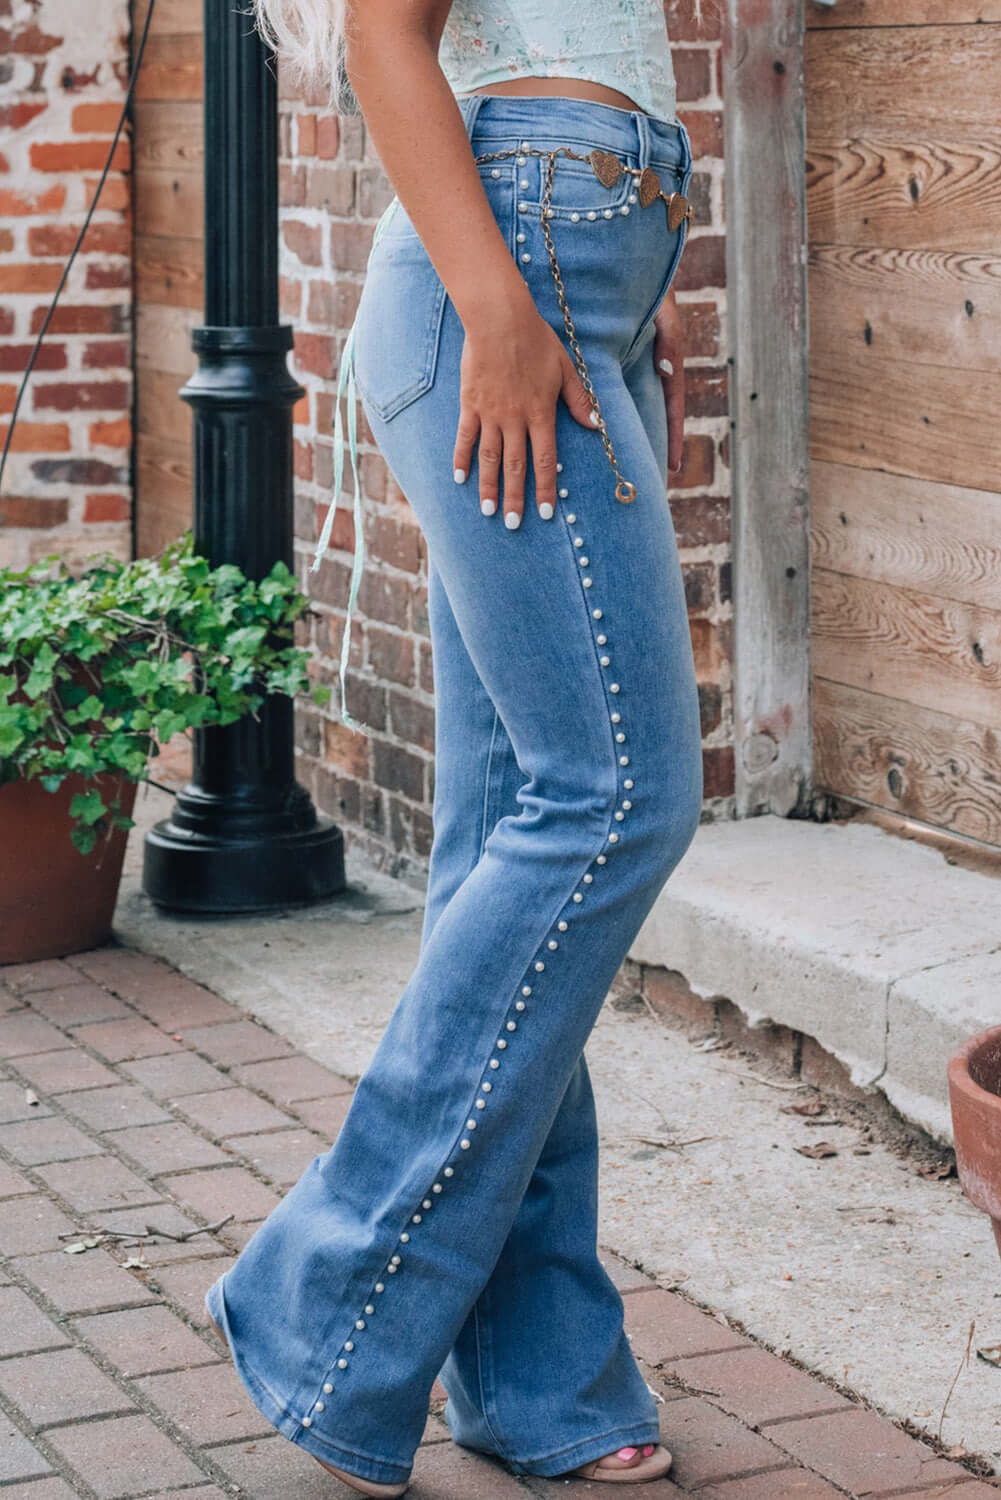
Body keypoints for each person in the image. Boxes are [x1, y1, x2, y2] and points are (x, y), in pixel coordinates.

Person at [204, 2, 704, 1494]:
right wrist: (503, 306)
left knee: (510, 837)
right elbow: (382, 33)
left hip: (575, 269)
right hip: (513, 278)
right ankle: (325, 1298)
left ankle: (539, 1372)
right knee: (612, 801)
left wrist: (642, 270)